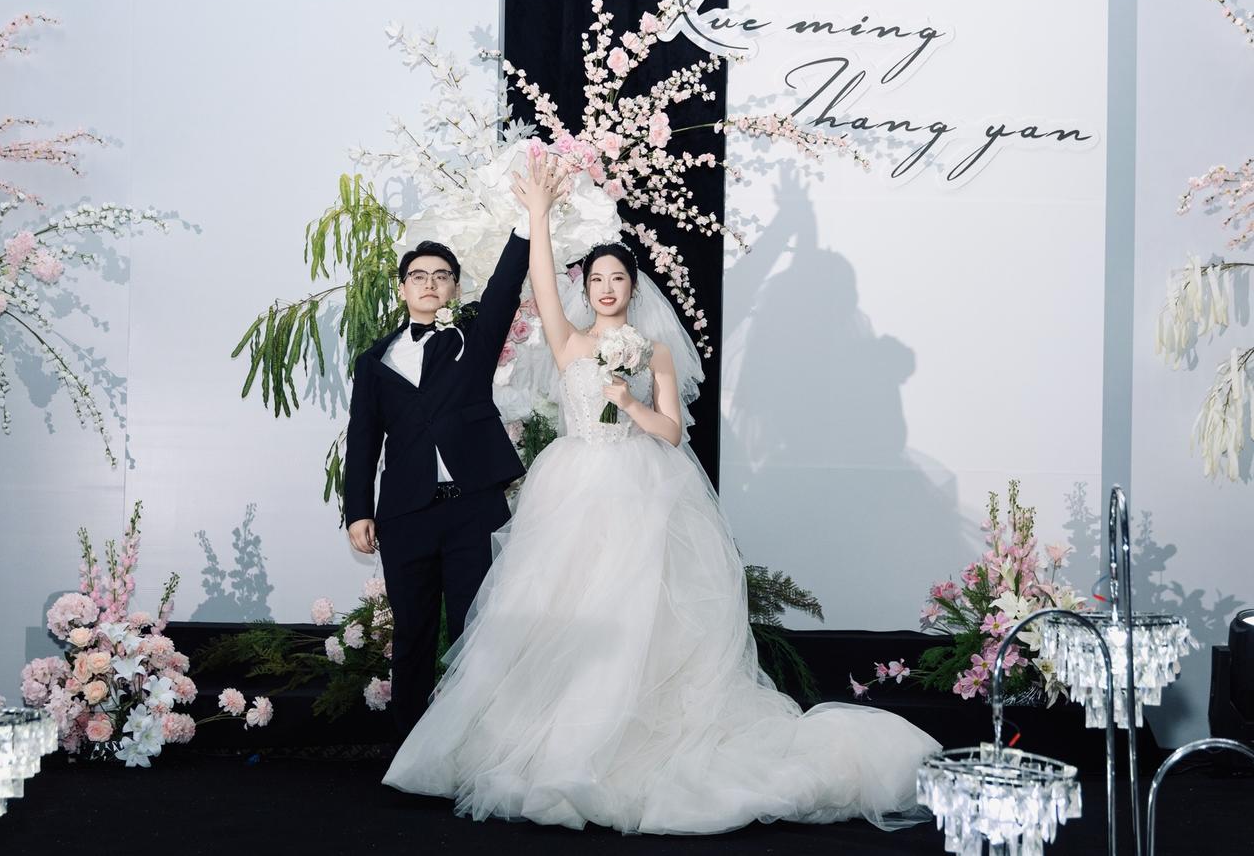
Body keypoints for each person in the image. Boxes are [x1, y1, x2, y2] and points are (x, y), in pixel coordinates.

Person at [382, 151, 941, 834]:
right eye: (596, 278)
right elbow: (539, 283)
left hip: (638, 485)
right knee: (558, 618)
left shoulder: (655, 351)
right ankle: (541, 743)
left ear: (633, 287)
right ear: (586, 287)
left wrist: (628, 402)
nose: (606, 287)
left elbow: (672, 433)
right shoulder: (567, 342)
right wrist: (538, 214)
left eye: (617, 278)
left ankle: (622, 741)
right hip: (570, 488)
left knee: (636, 619)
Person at [343, 230, 528, 739]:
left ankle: (477, 746)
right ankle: (411, 752)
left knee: (478, 632)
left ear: (454, 288)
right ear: (402, 287)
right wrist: (358, 510)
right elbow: (363, 439)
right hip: (406, 516)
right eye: (419, 276)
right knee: (412, 636)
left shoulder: (472, 339)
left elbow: (505, 287)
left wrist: (527, 227)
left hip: (474, 510)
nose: (429, 283)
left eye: (441, 276)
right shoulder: (374, 361)